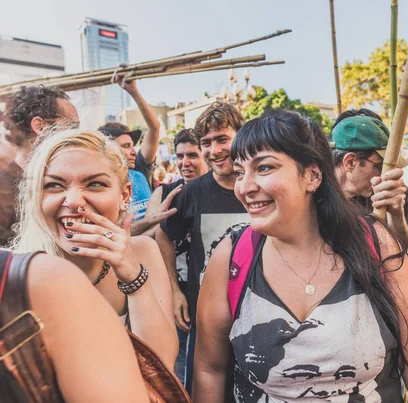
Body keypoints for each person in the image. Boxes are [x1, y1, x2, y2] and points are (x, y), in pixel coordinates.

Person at [193, 109, 408, 402]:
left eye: (263, 168)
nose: (245, 187)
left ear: (312, 175)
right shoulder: (230, 257)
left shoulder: (376, 244)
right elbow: (209, 370)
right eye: (240, 172)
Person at [10, 129, 178, 367]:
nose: (75, 201)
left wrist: (132, 277)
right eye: (55, 185)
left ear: (124, 195)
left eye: (95, 184)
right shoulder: (17, 273)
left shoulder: (143, 252)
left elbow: (162, 366)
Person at [157, 102, 248, 393]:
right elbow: (164, 237)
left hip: (258, 315)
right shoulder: (191, 192)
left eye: (222, 139)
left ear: (241, 135)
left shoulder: (258, 186)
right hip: (206, 318)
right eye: (206, 143)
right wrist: (173, 291)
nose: (214, 150)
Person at [0, 250, 150, 402]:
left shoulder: (39, 280)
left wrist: (134, 281)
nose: (72, 224)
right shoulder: (31, 268)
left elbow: (158, 368)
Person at [147, 128, 203, 384]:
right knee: (181, 362)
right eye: (179, 156)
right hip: (178, 289)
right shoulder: (166, 191)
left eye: (192, 155)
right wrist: (173, 290)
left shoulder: (226, 189)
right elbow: (152, 233)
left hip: (213, 288)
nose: (184, 162)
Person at [0, 86, 79, 246]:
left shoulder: (64, 181)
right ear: (40, 126)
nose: (78, 135)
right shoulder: (3, 191)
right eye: (72, 127)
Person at [331, 109, 408, 244]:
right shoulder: (314, 196)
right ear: (350, 162)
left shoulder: (393, 192)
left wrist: (396, 215)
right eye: (380, 166)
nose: (385, 174)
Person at [98, 79, 161, 223]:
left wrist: (133, 90)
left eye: (133, 145)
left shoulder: (139, 170)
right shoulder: (98, 183)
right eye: (126, 146)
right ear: (108, 149)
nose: (134, 151)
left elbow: (154, 127)